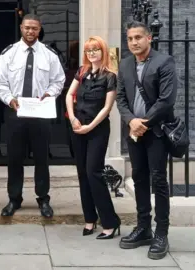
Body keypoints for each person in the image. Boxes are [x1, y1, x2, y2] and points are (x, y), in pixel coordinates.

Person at [0, 13, 65, 218]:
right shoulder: (9, 54)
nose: (30, 31)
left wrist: (49, 94)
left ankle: (43, 199)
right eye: (27, 28)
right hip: (16, 111)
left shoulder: (49, 54)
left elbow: (59, 80)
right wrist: (9, 99)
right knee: (14, 157)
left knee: (41, 157)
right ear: (21, 28)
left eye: (34, 28)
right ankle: (14, 199)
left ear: (39, 29)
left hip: (40, 112)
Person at [116, 21, 177, 260]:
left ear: (149, 38)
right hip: (134, 131)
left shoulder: (164, 62)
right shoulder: (125, 65)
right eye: (130, 38)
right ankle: (144, 228)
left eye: (138, 37)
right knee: (139, 178)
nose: (134, 42)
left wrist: (144, 123)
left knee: (158, 181)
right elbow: (121, 99)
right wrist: (132, 121)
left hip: (157, 132)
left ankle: (162, 232)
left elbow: (166, 100)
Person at [65, 36, 121, 239]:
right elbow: (69, 96)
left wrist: (90, 126)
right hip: (78, 128)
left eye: (95, 49)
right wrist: (72, 119)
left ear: (103, 51)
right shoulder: (81, 72)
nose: (92, 53)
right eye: (89, 50)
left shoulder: (110, 76)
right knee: (82, 174)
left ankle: (110, 222)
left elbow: (107, 108)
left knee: (93, 173)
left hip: (96, 129)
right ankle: (90, 219)